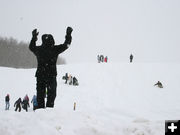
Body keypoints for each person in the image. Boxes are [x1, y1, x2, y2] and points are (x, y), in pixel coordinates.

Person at [29, 27, 73, 109]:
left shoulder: (39, 49)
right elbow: (66, 45)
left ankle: (41, 110)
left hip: (40, 75)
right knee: (51, 94)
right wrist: (68, 35)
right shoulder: (54, 49)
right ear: (52, 40)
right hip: (51, 75)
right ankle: (49, 110)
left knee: (40, 95)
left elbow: (31, 47)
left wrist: (34, 38)